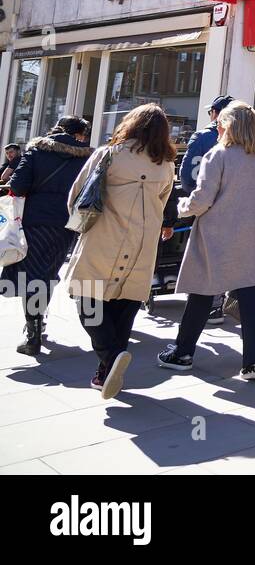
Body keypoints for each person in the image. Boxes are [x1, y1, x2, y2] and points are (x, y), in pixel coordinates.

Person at [158, 102, 255, 381]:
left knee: (201, 293)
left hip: (218, 235)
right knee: (252, 296)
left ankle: (182, 352)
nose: (217, 127)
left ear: (229, 126)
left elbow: (202, 200)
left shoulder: (219, 155)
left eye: (220, 123)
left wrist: (181, 208)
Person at [65, 104, 176, 399]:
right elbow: (163, 203)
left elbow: (77, 195)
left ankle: (112, 356)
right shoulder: (166, 165)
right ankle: (106, 374)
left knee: (87, 299)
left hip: (105, 238)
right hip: (143, 244)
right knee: (123, 308)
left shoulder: (109, 154)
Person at [4, 117, 93, 355]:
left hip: (34, 222)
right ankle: (37, 320)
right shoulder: (86, 157)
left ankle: (33, 332)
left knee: (32, 275)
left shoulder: (36, 151)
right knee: (47, 273)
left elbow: (18, 185)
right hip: (66, 225)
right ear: (80, 135)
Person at [178, 95, 233, 325]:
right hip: (231, 206)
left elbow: (187, 174)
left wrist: (190, 199)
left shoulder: (202, 137)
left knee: (202, 256)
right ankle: (218, 302)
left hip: (204, 203)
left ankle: (206, 305)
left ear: (216, 114)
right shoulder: (249, 139)